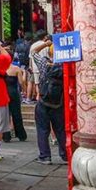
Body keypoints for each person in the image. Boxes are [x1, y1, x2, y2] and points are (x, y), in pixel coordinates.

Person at [32, 30, 67, 164]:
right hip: (59, 103)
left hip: (43, 102)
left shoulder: (44, 65)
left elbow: (33, 52)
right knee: (60, 130)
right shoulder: (65, 66)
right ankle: (65, 155)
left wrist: (46, 44)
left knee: (42, 130)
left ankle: (45, 156)